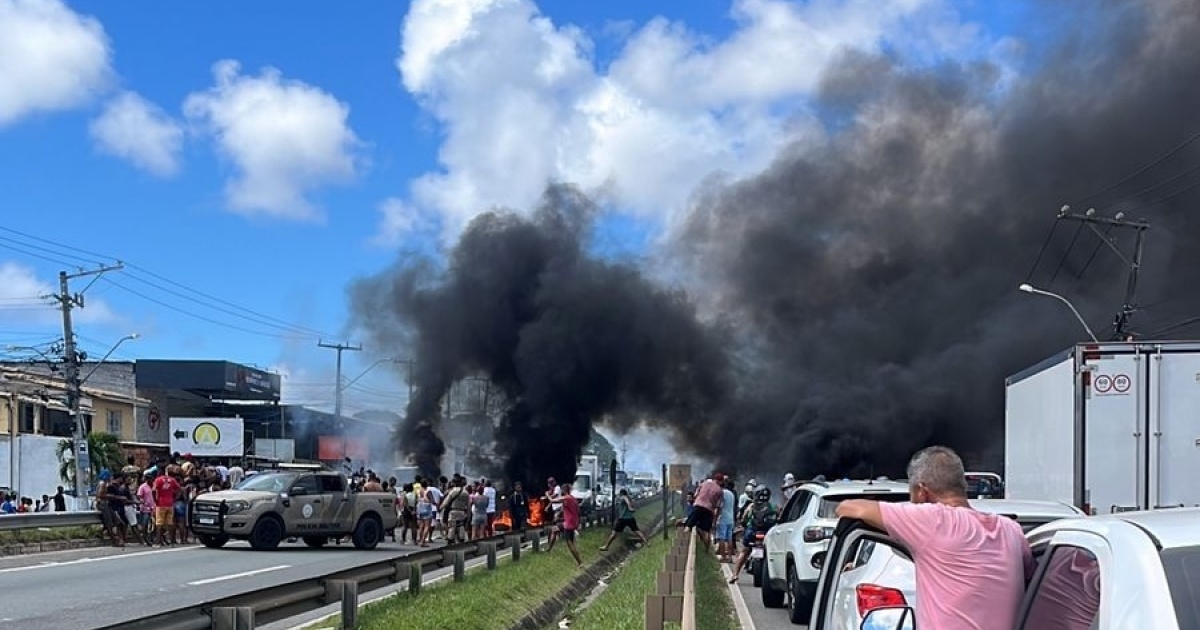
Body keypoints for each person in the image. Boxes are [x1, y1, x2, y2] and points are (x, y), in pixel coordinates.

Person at [835, 446, 1034, 630]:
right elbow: (1031, 579)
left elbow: (849, 508)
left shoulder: (932, 520)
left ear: (922, 492)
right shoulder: (1011, 530)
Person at [729, 484, 777, 583]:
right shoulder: (772, 506)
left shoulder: (751, 505)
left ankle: (735, 574)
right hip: (767, 533)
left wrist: (743, 523)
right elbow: (778, 517)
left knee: (744, 551)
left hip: (753, 532)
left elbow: (744, 517)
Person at [547, 482, 584, 568]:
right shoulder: (573, 499)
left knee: (569, 543)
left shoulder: (567, 498)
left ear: (564, 490)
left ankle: (580, 562)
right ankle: (549, 549)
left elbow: (552, 500)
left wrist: (547, 495)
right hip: (570, 522)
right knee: (555, 529)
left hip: (569, 524)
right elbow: (577, 511)